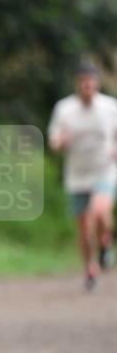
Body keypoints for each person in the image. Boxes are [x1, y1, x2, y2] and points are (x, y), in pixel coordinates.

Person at [47, 62, 117, 290]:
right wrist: (60, 142)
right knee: (83, 228)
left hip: (104, 169)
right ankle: (90, 267)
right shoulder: (64, 109)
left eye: (91, 80)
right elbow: (54, 140)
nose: (87, 85)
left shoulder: (110, 107)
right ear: (77, 84)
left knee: (99, 212)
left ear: (97, 83)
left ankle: (105, 242)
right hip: (77, 175)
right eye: (82, 81)